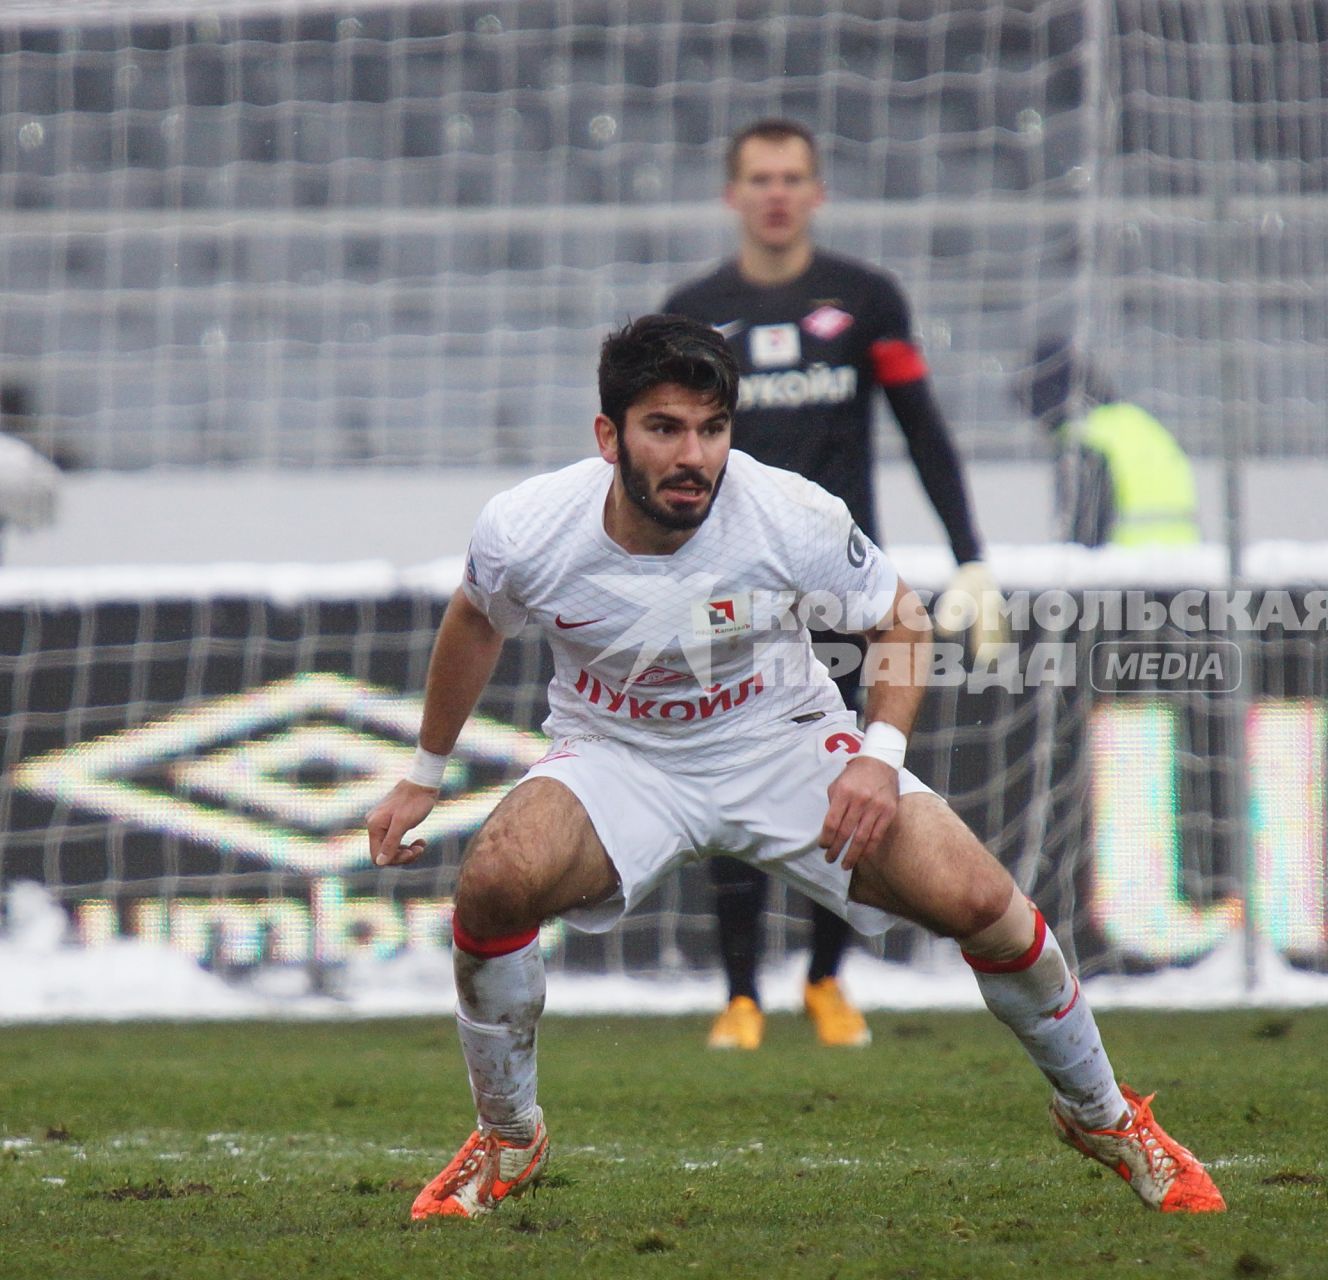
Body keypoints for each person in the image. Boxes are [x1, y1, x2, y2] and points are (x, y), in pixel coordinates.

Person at [365, 315, 1224, 1221]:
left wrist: (880, 758)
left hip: (783, 740)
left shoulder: (788, 513)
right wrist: (426, 770)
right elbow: (475, 618)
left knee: (984, 905)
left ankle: (1103, 1116)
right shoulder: (527, 527)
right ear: (609, 437)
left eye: (713, 427)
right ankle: (508, 1136)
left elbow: (900, 621)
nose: (695, 454)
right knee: (494, 883)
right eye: (665, 428)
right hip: (617, 757)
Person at [661, 118, 1003, 1051]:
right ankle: (739, 994)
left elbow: (922, 428)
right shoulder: (694, 312)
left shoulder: (866, 300)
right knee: (727, 775)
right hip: (723, 592)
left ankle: (823, 980)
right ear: (734, 196)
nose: (777, 193)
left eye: (793, 177)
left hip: (841, 584)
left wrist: (970, 554)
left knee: (840, 778)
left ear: (817, 192)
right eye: (760, 178)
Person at [1016, 337, 1201, 548]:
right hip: (1182, 567)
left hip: (1123, 570)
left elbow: (1083, 541)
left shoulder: (1084, 443)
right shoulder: (1143, 425)